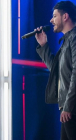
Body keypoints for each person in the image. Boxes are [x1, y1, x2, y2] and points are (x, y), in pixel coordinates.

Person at [35, 1, 76, 140]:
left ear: (65, 17)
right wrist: (44, 45)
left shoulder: (74, 39)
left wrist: (68, 106)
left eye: (54, 16)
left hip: (72, 107)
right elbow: (56, 71)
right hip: (67, 107)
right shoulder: (66, 41)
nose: (51, 20)